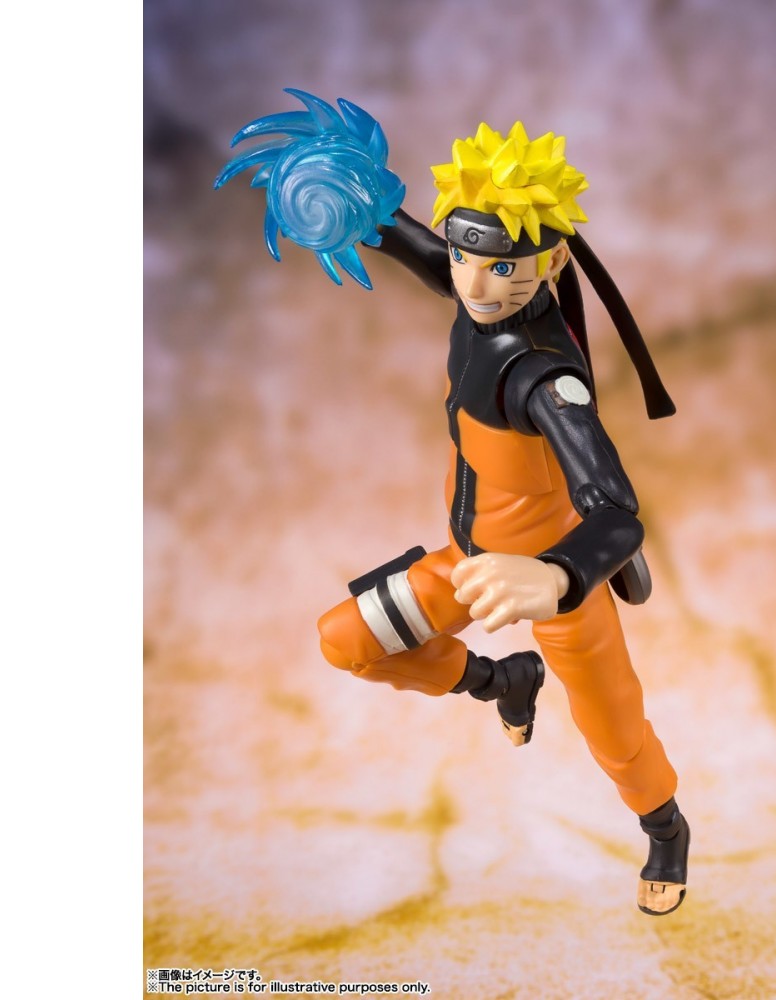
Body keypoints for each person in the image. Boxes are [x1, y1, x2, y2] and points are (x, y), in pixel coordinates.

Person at [216, 92, 690, 915]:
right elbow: (408, 242)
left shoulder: (545, 376)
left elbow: (618, 510)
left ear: (550, 263)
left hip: (552, 581)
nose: (474, 280)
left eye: (503, 265)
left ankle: (667, 828)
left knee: (614, 732)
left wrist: (557, 578)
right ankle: (501, 679)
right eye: (466, 252)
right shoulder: (478, 290)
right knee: (346, 641)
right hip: (466, 567)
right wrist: (344, 190)